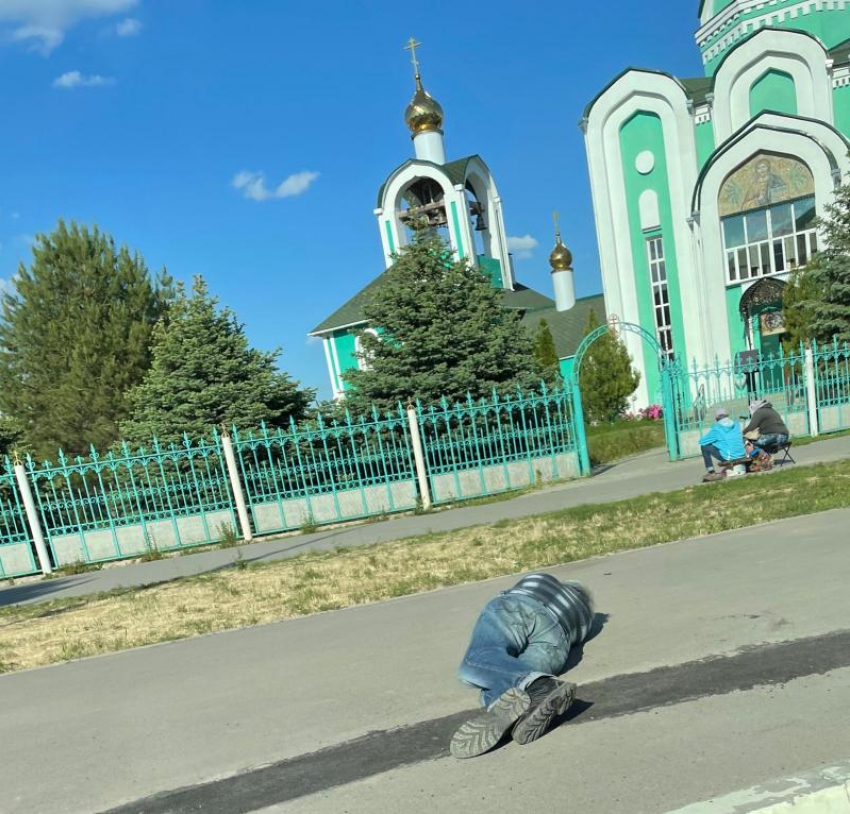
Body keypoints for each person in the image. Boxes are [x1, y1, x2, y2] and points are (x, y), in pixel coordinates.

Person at [449, 572, 594, 759]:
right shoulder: (586, 618)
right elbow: (576, 639)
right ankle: (532, 696)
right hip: (556, 641)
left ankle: (511, 702)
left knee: (478, 662)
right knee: (521, 677)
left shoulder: (541, 579)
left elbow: (517, 592)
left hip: (519, 608)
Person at [699, 407, 746, 481]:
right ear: (727, 415)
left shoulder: (717, 428)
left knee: (704, 447)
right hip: (742, 454)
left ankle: (711, 472)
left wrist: (715, 442)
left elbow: (702, 442)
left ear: (716, 418)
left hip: (729, 456)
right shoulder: (736, 424)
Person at [743, 399, 790, 463]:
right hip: (784, 436)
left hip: (774, 436)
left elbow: (752, 426)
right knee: (763, 442)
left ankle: (767, 457)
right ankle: (767, 456)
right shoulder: (771, 410)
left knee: (751, 442)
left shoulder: (759, 412)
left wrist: (743, 432)